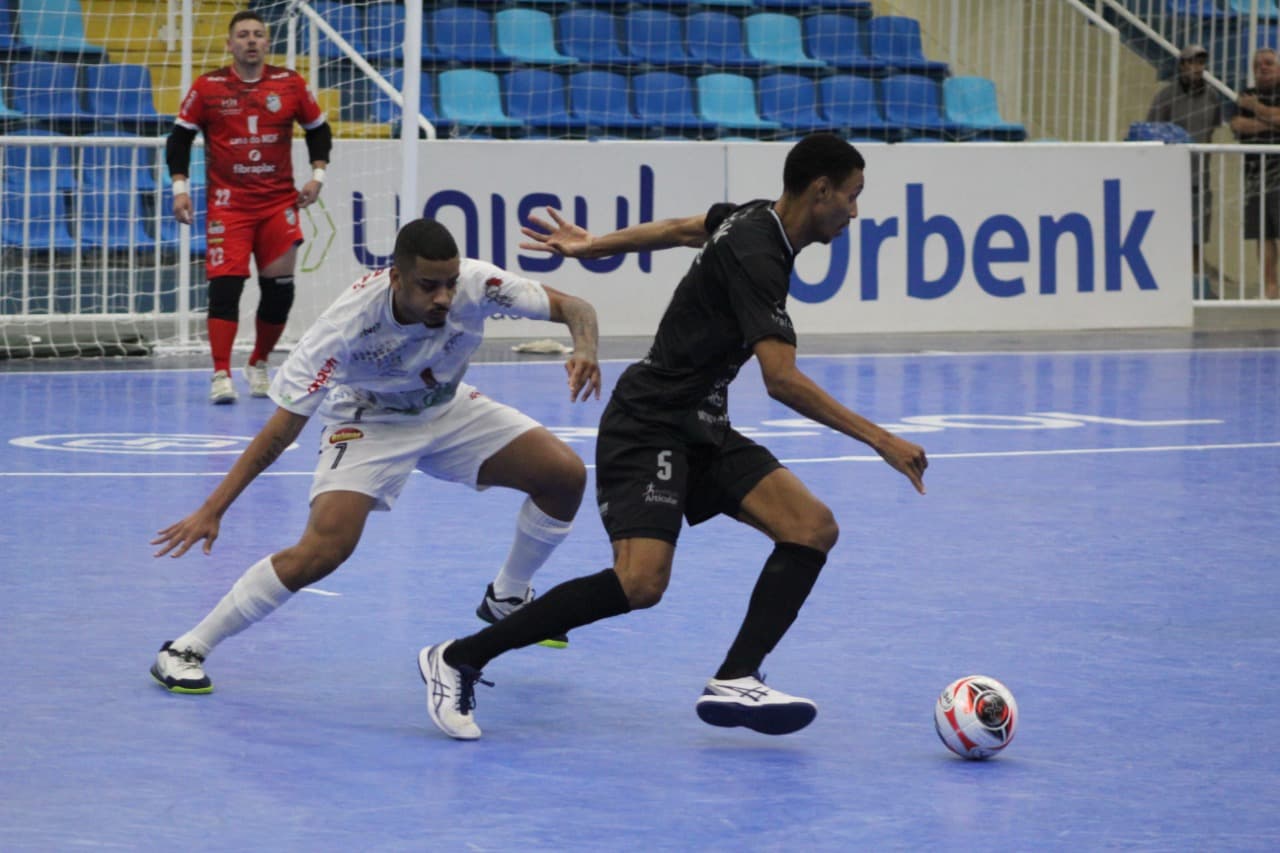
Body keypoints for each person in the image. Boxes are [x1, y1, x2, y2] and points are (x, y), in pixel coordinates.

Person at [418, 133, 929, 741]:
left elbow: (684, 227)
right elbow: (781, 380)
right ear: (820, 191)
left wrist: (594, 245)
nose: (854, 211)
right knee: (640, 583)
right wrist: (881, 440)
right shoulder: (759, 254)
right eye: (851, 196)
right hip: (650, 421)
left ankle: (737, 676)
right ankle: (457, 658)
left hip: (702, 422)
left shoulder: (755, 217)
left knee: (811, 528)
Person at [149, 218, 602, 695]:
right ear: (396, 278)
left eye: (449, 284)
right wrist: (212, 509)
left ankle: (508, 596)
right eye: (429, 286)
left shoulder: (478, 283)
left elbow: (576, 306)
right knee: (325, 549)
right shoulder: (344, 328)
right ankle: (186, 648)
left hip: (447, 407)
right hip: (369, 421)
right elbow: (279, 434)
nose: (444, 297)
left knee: (564, 476)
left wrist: (586, 348)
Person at [167, 10, 332, 404]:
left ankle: (258, 363)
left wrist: (317, 176)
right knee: (226, 288)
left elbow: (318, 130)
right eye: (243, 35)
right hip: (229, 206)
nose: (252, 40)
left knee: (278, 291)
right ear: (230, 44)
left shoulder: (290, 83)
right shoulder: (208, 87)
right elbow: (178, 139)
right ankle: (220, 373)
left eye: (258, 34)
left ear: (267, 42)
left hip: (278, 203)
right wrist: (180, 188)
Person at [1147, 44, 1224, 298]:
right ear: (1181, 65)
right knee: (1168, 232)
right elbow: (1152, 132)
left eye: (1200, 63)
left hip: (1199, 176)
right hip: (1170, 179)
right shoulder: (1166, 96)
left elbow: (1211, 132)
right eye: (1191, 62)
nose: (1196, 68)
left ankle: (1196, 285)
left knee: (1198, 234)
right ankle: (1167, 283)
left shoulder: (1212, 97)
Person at [1231, 47, 1280, 300]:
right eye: (1258, 64)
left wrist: (1255, 108)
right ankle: (1270, 286)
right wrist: (1269, 119)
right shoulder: (1246, 93)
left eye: (1269, 63)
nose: (1263, 67)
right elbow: (1238, 126)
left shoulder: (1250, 100)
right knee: (1263, 234)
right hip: (1254, 176)